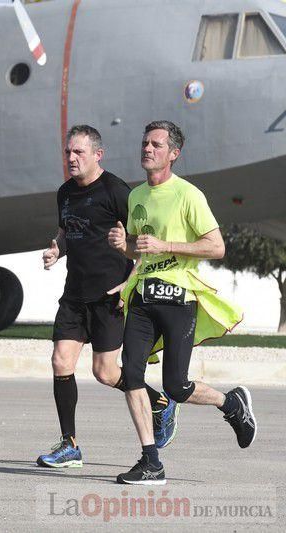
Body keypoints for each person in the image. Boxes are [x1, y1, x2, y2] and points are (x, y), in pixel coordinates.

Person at [108, 120, 252, 485]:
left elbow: (216, 247)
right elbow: (138, 249)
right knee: (132, 374)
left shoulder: (189, 195)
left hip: (178, 298)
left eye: (156, 144)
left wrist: (166, 246)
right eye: (145, 143)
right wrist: (121, 244)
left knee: (176, 386)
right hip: (142, 297)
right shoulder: (136, 196)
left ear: (173, 154)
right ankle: (150, 460)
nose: (147, 149)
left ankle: (231, 404)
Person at [37, 125, 178, 469]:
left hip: (109, 297)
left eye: (79, 153)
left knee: (105, 372)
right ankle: (69, 445)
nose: (71, 158)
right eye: (68, 152)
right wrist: (58, 249)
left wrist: (129, 283)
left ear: (97, 155)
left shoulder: (117, 191)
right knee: (60, 361)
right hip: (74, 295)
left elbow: (142, 241)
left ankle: (159, 401)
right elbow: (66, 230)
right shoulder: (65, 193)